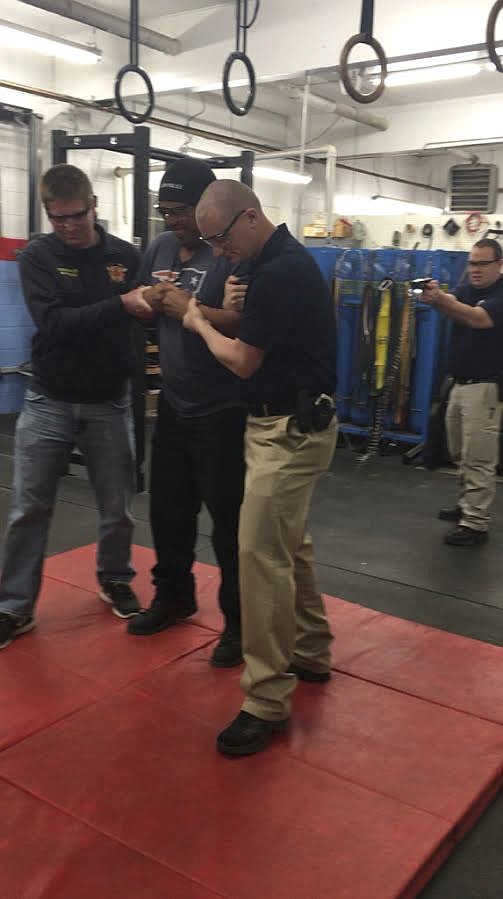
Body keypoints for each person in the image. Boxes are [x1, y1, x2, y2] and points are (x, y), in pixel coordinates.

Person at [183, 179, 338, 756]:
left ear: (250, 217)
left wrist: (196, 321)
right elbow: (257, 335)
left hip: (290, 432)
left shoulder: (282, 271)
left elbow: (244, 363)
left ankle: (267, 699)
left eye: (221, 240)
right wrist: (224, 314)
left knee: (258, 554)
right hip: (279, 427)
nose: (219, 253)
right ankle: (313, 648)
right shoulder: (273, 266)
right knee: (288, 544)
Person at [0, 163, 152, 650]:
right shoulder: (38, 256)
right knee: (29, 508)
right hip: (49, 400)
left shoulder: (125, 257)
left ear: (95, 206)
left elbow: (142, 316)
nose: (67, 226)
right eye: (57, 217)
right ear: (47, 212)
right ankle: (13, 607)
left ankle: (115, 577)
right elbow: (55, 324)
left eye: (76, 216)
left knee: (118, 508)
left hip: (109, 401)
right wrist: (120, 306)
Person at [127, 159, 247, 668]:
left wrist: (189, 310)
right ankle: (174, 596)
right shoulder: (157, 246)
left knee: (229, 525)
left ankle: (239, 624)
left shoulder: (228, 252)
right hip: (174, 405)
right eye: (165, 209)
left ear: (204, 210)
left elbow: (245, 325)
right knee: (168, 513)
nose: (171, 219)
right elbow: (132, 299)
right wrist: (148, 299)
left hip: (223, 409)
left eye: (179, 211)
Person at [422, 238, 503, 546]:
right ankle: (465, 504)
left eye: (483, 263)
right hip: (459, 384)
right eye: (472, 263)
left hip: (485, 387)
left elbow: (477, 319)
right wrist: (436, 299)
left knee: (478, 455)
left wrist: (440, 299)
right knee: (458, 450)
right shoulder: (467, 290)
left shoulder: (500, 295)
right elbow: (455, 309)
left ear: (499, 265)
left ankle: (475, 522)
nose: (476, 269)